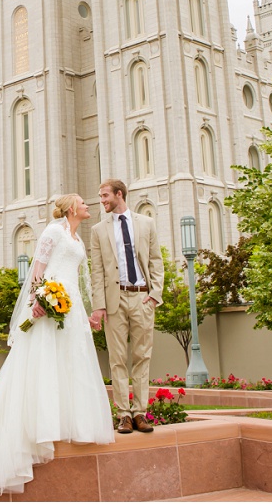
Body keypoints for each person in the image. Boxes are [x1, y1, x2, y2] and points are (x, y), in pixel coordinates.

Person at [0, 194, 114, 495]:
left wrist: (90, 312)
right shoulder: (54, 231)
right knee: (42, 362)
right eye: (83, 203)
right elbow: (38, 267)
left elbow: (79, 280)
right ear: (71, 208)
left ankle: (70, 423)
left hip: (72, 306)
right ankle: (38, 428)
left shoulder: (79, 241)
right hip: (48, 303)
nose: (88, 206)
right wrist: (37, 299)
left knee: (72, 361)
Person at [88, 178, 164, 434]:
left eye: (105, 195)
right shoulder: (98, 230)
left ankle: (140, 412)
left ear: (119, 194)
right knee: (117, 358)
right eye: (100, 196)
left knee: (142, 356)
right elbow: (96, 271)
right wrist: (99, 306)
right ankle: (124, 415)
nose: (102, 200)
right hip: (114, 300)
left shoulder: (146, 223)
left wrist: (155, 294)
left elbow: (156, 260)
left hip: (142, 297)